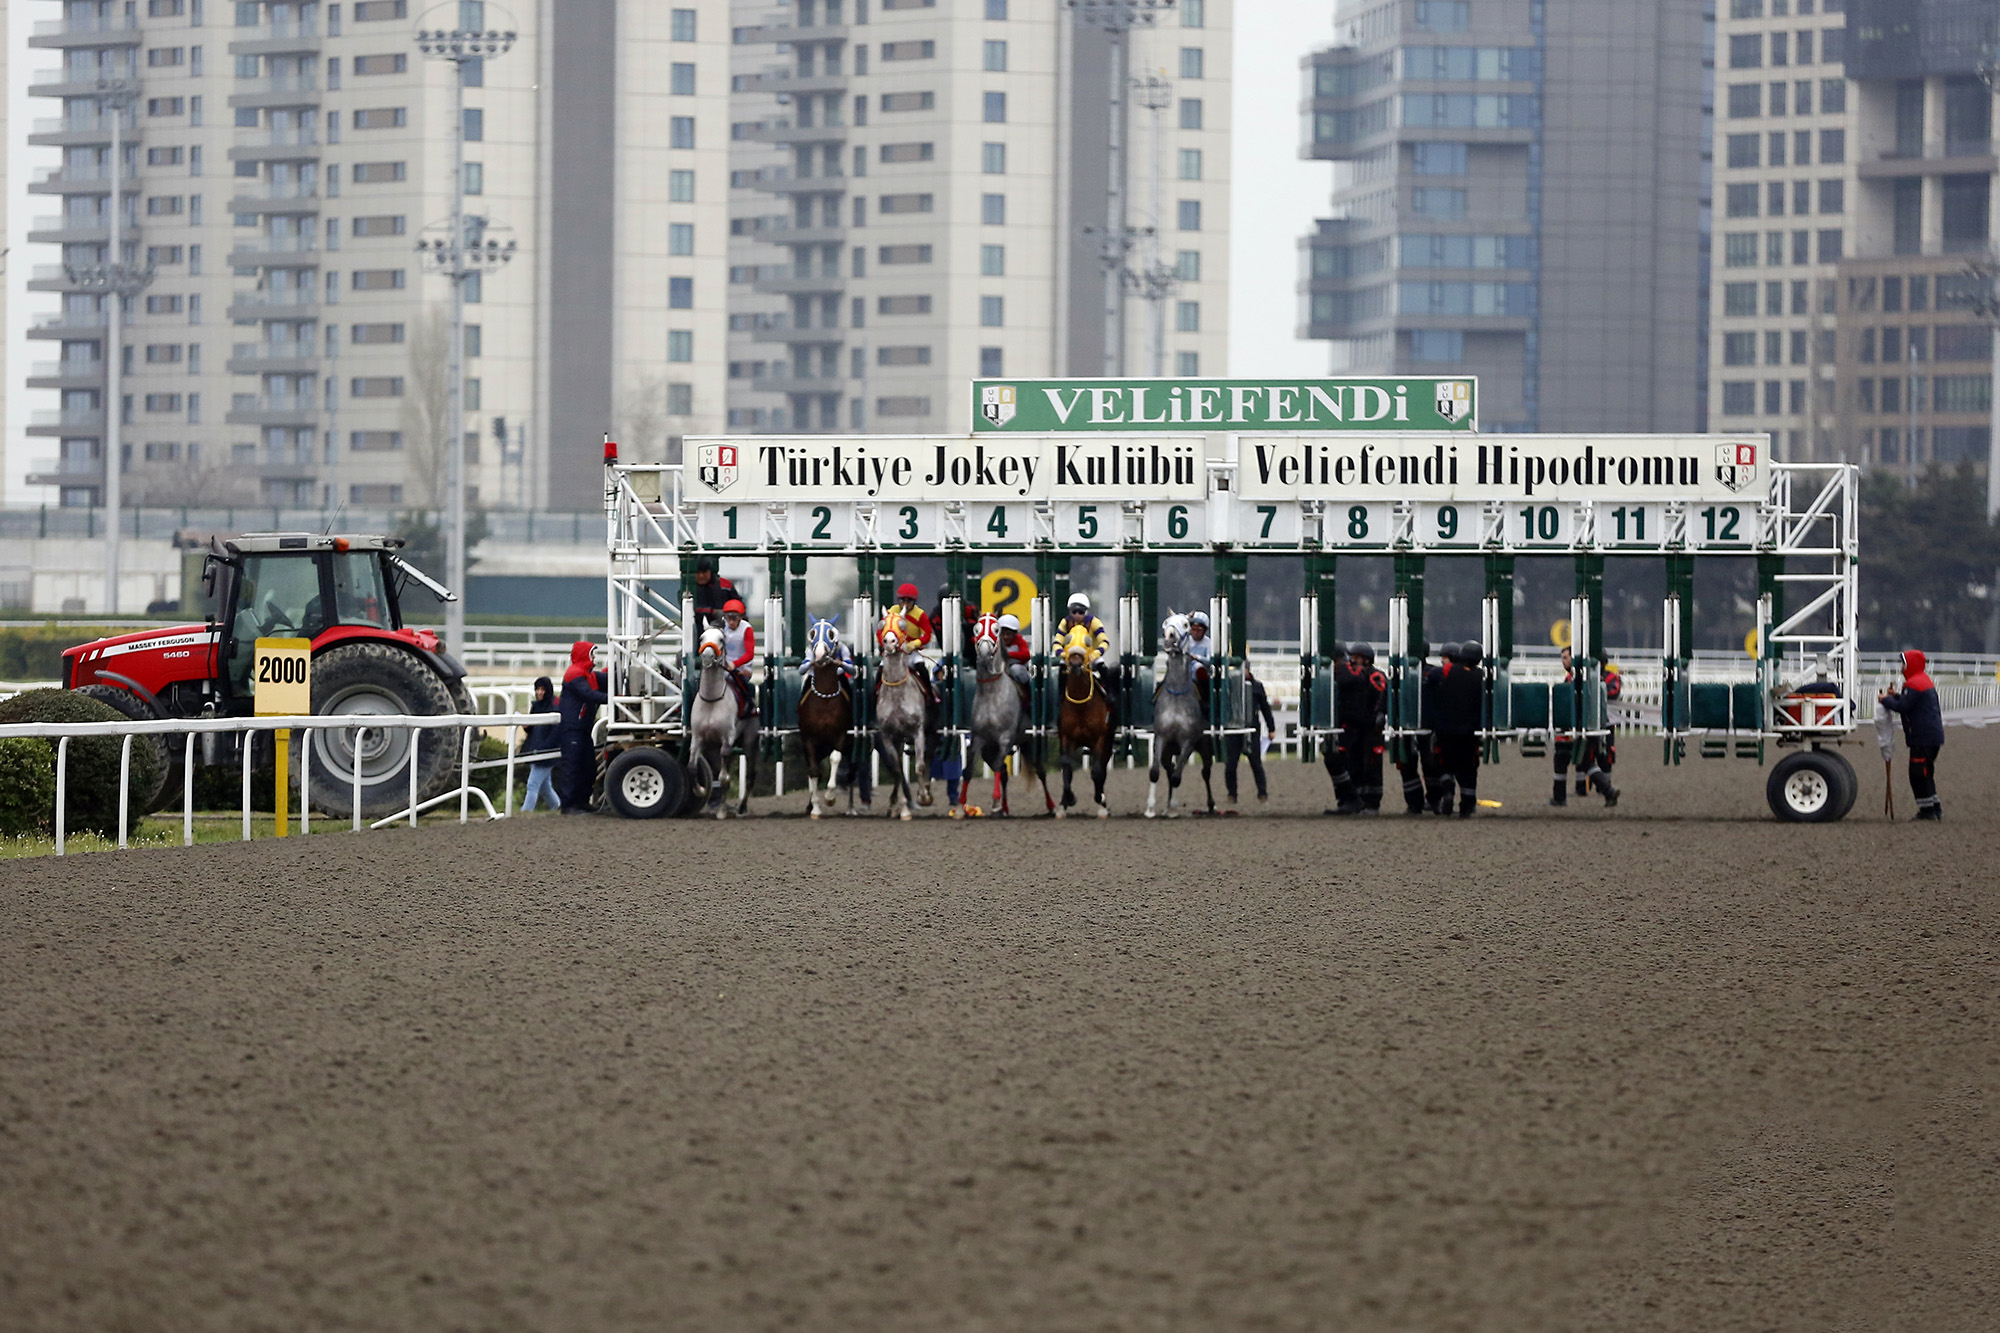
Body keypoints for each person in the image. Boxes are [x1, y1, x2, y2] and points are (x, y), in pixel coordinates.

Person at [1878, 648, 1944, 820]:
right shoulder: (1922, 681)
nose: (1901, 667)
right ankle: (1934, 807)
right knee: (1926, 771)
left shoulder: (1913, 684)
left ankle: (1927, 811)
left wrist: (1885, 699)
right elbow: (1910, 702)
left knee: (1917, 773)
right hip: (1931, 737)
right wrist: (1897, 696)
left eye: (1903, 663)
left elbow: (1903, 707)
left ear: (1910, 665)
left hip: (1922, 738)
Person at [1551, 646, 1620, 807]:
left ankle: (1562, 797)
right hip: (1581, 725)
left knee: (1573, 758)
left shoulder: (1604, 678)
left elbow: (1613, 693)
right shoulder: (1573, 677)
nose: (1563, 661)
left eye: (1566, 657)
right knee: (1582, 760)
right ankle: (1601, 789)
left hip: (1592, 725)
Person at [1328, 642, 1386, 814]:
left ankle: (1373, 804)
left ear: (1367, 660)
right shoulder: (1353, 674)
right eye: (1352, 658)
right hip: (1355, 728)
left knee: (1372, 765)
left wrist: (1381, 713)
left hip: (1372, 728)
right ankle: (1358, 801)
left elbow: (1382, 694)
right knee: (1354, 764)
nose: (1353, 661)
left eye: (1357, 658)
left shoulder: (1375, 675)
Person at [1433, 641, 1485, 817]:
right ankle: (1467, 806)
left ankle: (1447, 792)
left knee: (1445, 764)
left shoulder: (1448, 670)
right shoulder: (1481, 676)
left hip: (1445, 729)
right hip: (1470, 732)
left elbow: (1432, 676)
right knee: (1469, 768)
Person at [555, 641, 608, 813]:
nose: (594, 657)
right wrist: (613, 698)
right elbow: (589, 694)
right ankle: (569, 805)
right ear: (585, 654)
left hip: (583, 727)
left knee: (587, 765)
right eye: (592, 653)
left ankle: (582, 801)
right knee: (572, 765)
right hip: (572, 728)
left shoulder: (588, 673)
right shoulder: (575, 673)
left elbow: (605, 679)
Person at [1224, 663, 1276, 806]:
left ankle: (1262, 792)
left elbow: (1265, 708)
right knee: (1230, 765)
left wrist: (1271, 728)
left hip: (1252, 729)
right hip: (1233, 730)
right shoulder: (1229, 685)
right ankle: (1232, 794)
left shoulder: (1257, 686)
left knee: (1255, 763)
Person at [1060, 593, 1117, 702]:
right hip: (1070, 657)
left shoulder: (1094, 622)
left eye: (1080, 612)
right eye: (1074, 611)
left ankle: (1109, 693)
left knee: (1103, 668)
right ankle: (1061, 695)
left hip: (1091, 657)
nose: (1077, 615)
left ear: (1086, 612)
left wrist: (1096, 654)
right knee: (1061, 670)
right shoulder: (1065, 623)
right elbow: (1057, 641)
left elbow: (1104, 641)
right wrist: (1062, 654)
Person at [521, 675, 561, 812]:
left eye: (542, 689)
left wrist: (545, 750)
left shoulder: (555, 706)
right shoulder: (536, 706)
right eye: (537, 689)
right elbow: (531, 730)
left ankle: (525, 812)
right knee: (545, 787)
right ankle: (557, 807)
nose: (539, 692)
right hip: (536, 750)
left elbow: (555, 733)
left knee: (532, 785)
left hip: (545, 753)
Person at [719, 598, 757, 716]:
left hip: (741, 667)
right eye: (728, 618)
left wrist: (735, 664)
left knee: (742, 684)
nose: (731, 622)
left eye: (734, 619)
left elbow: (749, 654)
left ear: (740, 618)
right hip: (724, 665)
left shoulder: (747, 629)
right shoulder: (721, 627)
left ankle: (750, 706)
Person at [689, 556, 736, 631]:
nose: (701, 576)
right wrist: (712, 611)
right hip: (697, 626)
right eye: (698, 573)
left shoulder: (725, 585)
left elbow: (738, 605)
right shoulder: (688, 588)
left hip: (725, 626)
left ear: (710, 572)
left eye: (704, 572)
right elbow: (688, 608)